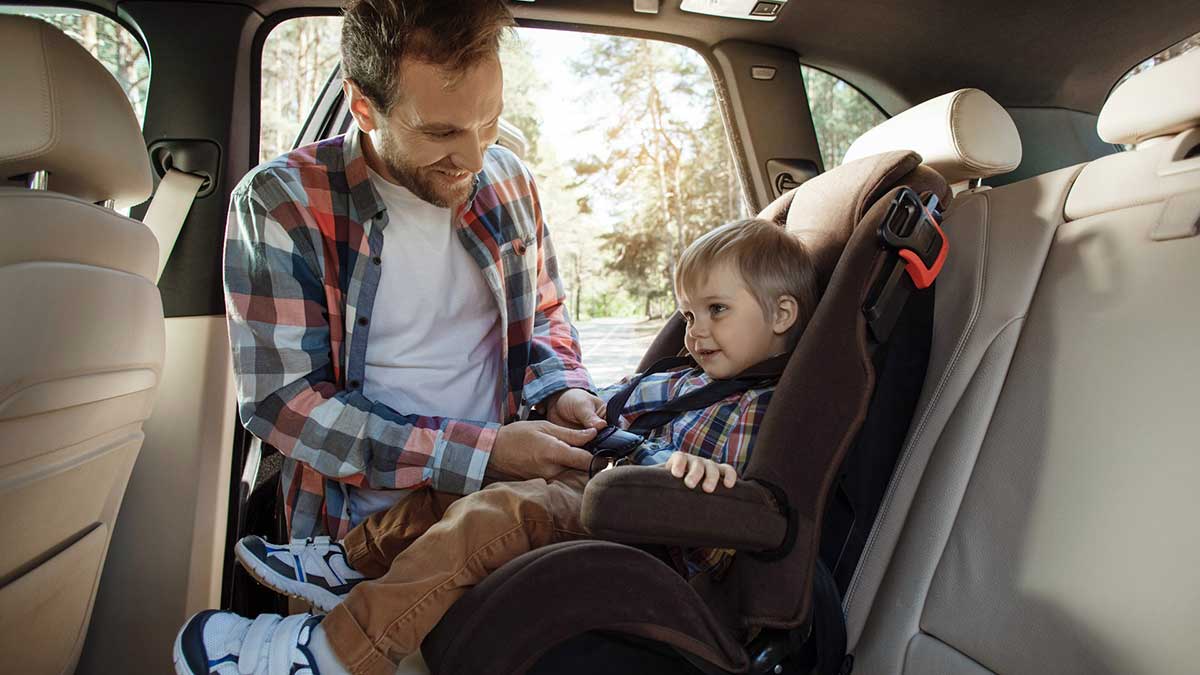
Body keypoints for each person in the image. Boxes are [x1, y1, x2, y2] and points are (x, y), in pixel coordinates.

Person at [174, 219, 820, 675]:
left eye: (716, 310)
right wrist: (586, 407)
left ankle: (337, 653)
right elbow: (614, 406)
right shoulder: (683, 377)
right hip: (596, 478)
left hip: (640, 525)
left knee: (497, 513)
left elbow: (730, 510)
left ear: (782, 315)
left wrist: (702, 475)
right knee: (463, 479)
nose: (696, 331)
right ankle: (348, 562)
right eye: (689, 314)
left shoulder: (759, 408)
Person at [222, 0, 604, 549]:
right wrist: (483, 454)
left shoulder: (510, 180)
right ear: (363, 107)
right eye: (440, 132)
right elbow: (285, 403)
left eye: (489, 122)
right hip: (357, 531)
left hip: (509, 503)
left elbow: (543, 315)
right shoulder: (281, 203)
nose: (474, 159)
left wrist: (560, 389)